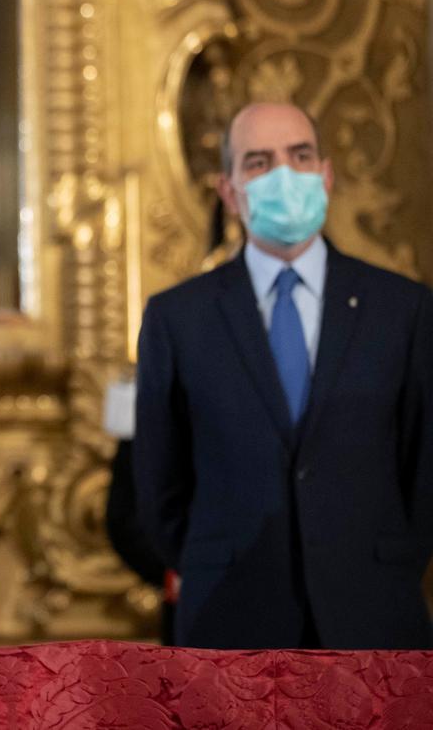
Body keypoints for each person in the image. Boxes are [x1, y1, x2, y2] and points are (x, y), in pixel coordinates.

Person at [134, 101, 433, 650]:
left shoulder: (404, 310)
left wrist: (383, 563)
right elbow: (158, 487)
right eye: (259, 162)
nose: (285, 177)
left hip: (373, 620)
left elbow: (425, 469)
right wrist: (215, 560)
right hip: (227, 622)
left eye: (300, 156)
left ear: (326, 173)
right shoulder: (177, 319)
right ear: (229, 191)